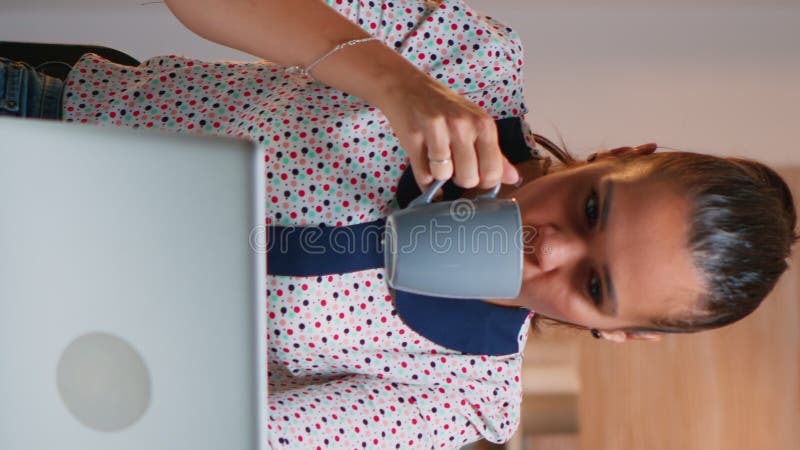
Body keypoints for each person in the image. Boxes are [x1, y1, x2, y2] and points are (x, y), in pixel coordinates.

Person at [1, 0, 797, 448]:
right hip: (35, 121)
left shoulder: (456, 396)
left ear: (620, 333)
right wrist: (390, 79)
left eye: (593, 284)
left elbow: (203, 437)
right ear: (621, 153)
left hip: (32, 328)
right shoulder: (470, 66)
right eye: (594, 206)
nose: (549, 245)